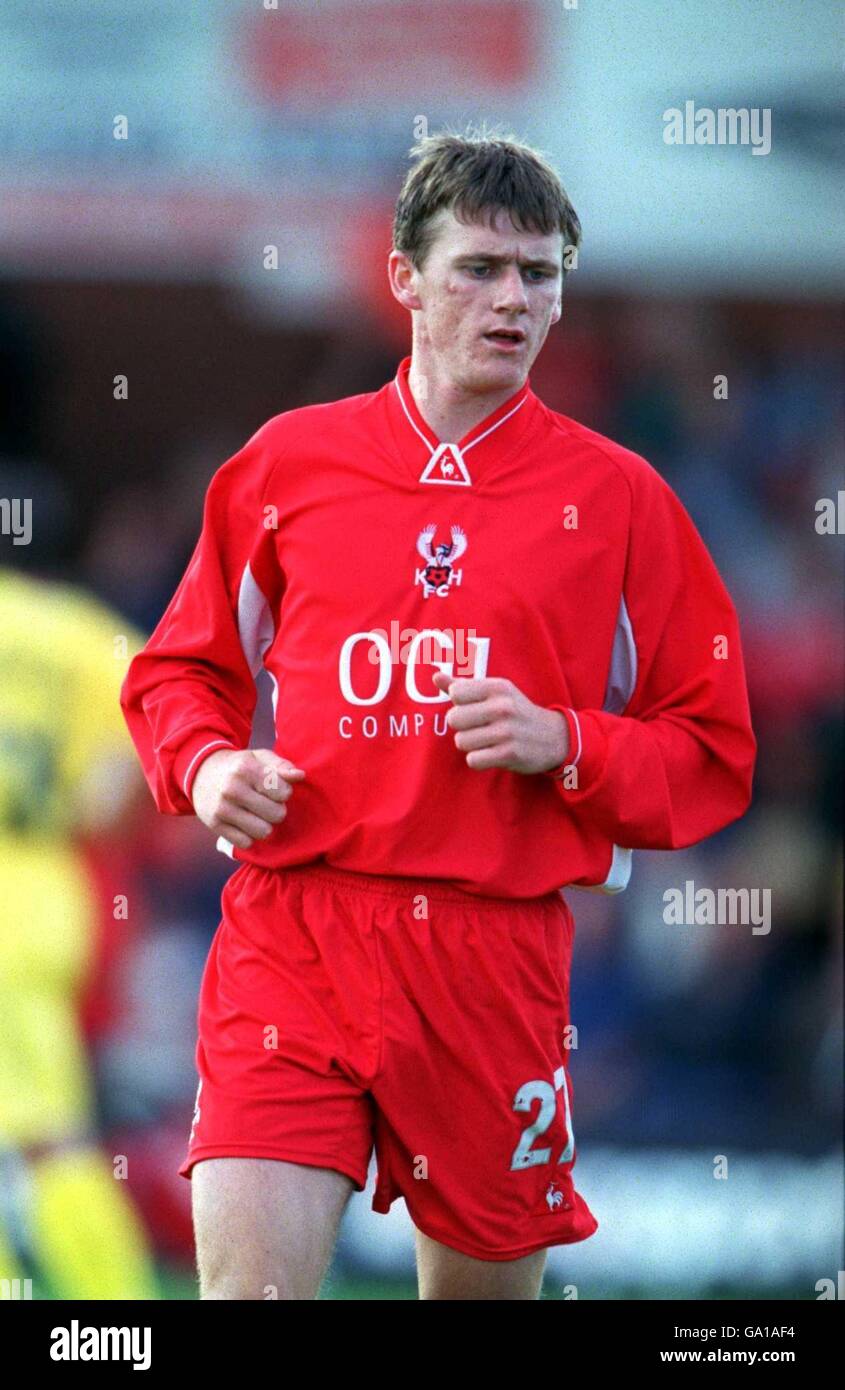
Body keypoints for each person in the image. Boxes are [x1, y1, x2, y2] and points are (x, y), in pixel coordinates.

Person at [120, 129, 756, 1300]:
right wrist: (206, 768)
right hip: (293, 933)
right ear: (405, 278)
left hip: (493, 959)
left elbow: (712, 748)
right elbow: (176, 671)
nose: (511, 298)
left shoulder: (619, 499)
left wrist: (565, 740)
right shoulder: (285, 464)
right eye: (478, 267)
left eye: (539, 273)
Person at [0, 566, 157, 1299]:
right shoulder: (75, 631)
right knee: (40, 1130)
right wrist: (87, 800)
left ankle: (118, 1312)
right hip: (45, 892)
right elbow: (156, 716)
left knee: (45, 1137)